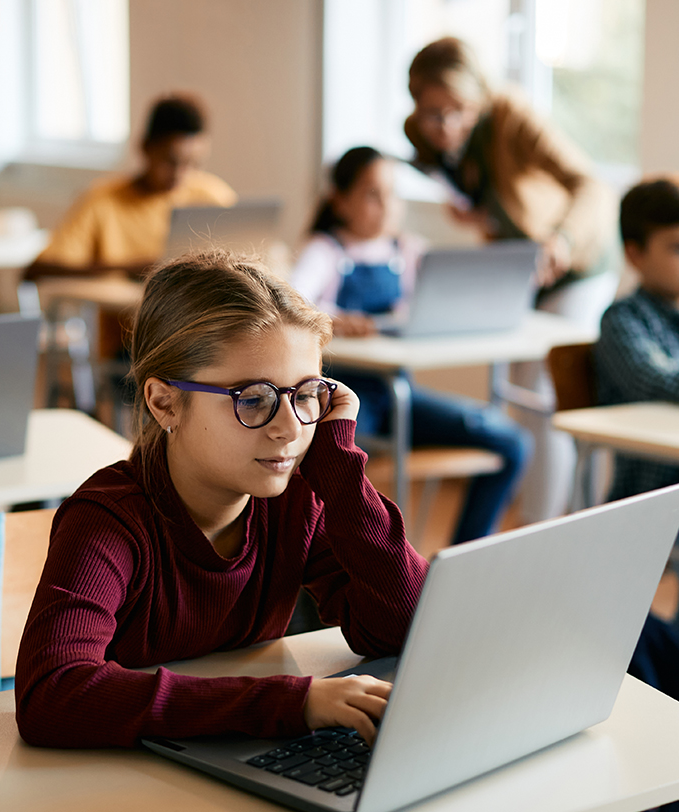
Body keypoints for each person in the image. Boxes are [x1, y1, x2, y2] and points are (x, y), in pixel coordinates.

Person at [15, 250, 429, 750]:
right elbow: (52, 695)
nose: (289, 428)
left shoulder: (297, 502)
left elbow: (404, 628)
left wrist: (339, 467)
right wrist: (290, 703)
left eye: (305, 395)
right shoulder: (109, 520)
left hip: (230, 753)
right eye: (253, 398)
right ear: (164, 401)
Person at [404, 37, 620, 524]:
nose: (445, 126)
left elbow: (591, 185)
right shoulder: (419, 136)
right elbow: (463, 179)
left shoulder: (511, 115)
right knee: (520, 401)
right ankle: (521, 529)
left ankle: (541, 530)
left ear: (478, 97)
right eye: (432, 113)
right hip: (518, 272)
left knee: (544, 395)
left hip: (574, 266)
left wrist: (562, 239)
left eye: (457, 110)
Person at [291, 146, 532, 545]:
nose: (386, 206)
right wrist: (331, 318)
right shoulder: (325, 250)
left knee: (512, 442)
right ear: (339, 199)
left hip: (398, 399)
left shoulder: (409, 251)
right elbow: (293, 305)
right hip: (341, 401)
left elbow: (446, 301)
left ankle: (462, 558)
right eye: (372, 194)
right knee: (329, 461)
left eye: (393, 194)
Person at [26, 92, 237, 280]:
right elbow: (38, 269)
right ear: (145, 148)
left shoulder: (212, 196)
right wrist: (130, 269)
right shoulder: (102, 200)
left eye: (193, 163)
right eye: (170, 161)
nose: (180, 174)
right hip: (119, 320)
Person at [595, 177, 679, 502]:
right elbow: (652, 378)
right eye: (676, 248)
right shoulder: (622, 319)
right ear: (635, 254)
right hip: (651, 500)